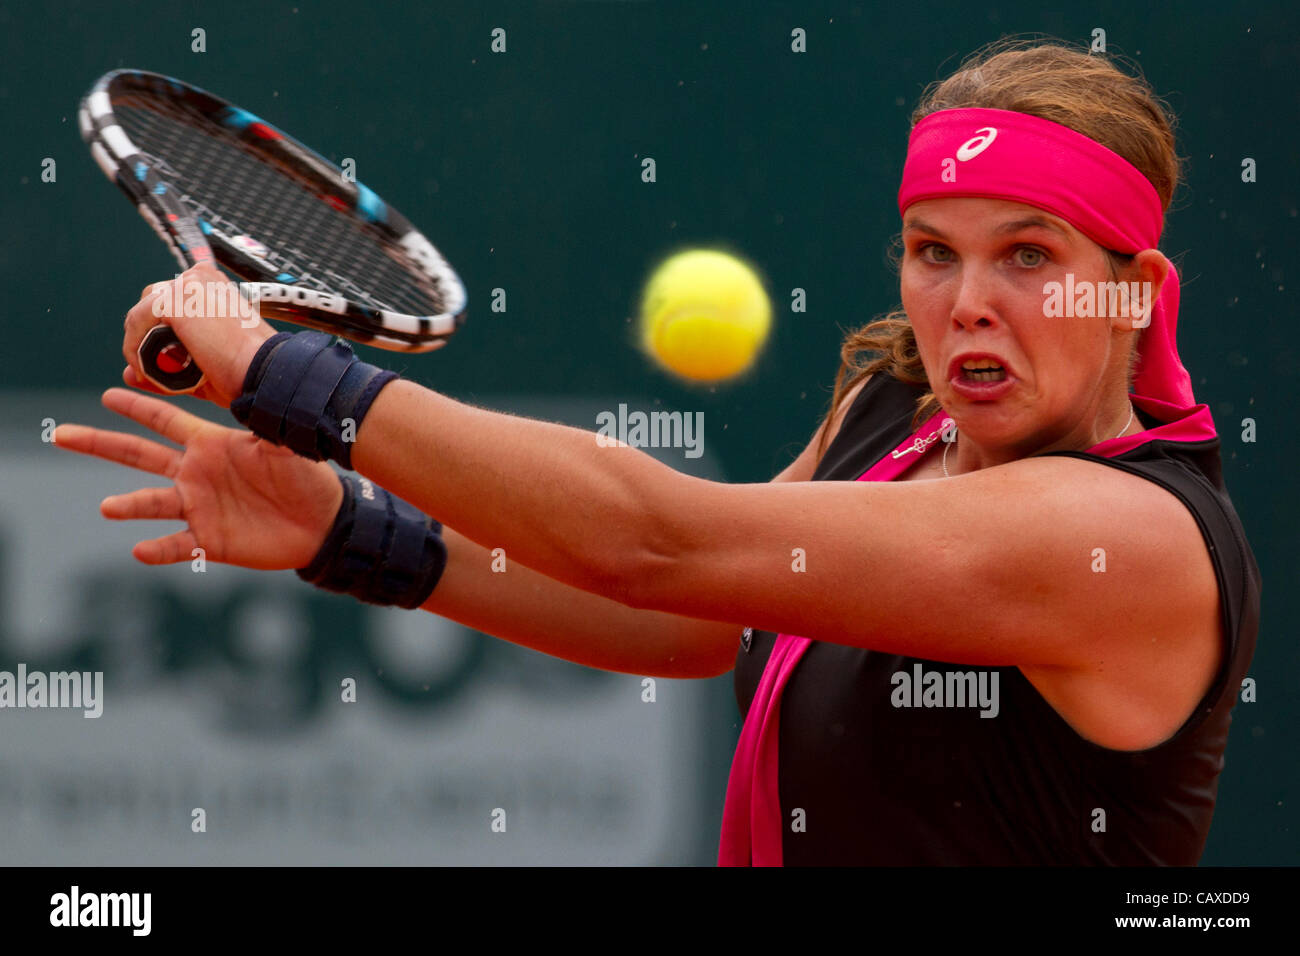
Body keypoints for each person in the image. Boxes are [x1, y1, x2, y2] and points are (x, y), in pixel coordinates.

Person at [57, 39, 1260, 865]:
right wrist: (354, 532)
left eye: (1030, 255)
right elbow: (712, 619)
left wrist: (284, 372)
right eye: (931, 249)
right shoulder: (899, 410)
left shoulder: (1127, 540)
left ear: (1137, 294)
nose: (965, 301)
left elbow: (660, 539)